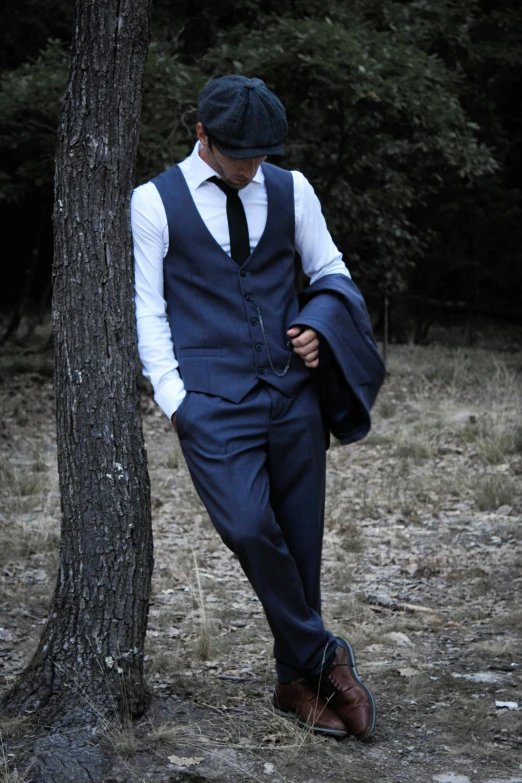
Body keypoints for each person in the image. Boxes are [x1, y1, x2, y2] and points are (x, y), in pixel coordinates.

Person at [131, 75, 379, 740]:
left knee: (300, 542)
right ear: (202, 135)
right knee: (247, 525)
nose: (252, 167)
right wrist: (176, 397)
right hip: (209, 399)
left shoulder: (292, 188)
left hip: (292, 393)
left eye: (262, 154)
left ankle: (294, 682)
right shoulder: (153, 202)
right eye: (241, 154)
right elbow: (147, 312)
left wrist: (319, 325)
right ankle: (324, 653)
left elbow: (332, 271)